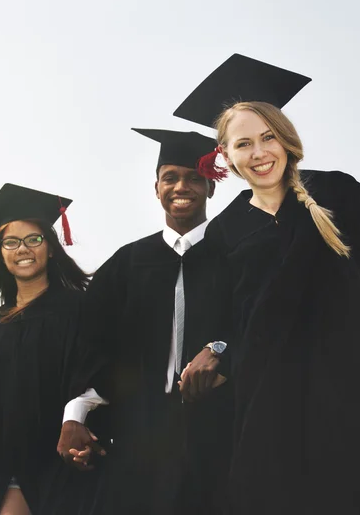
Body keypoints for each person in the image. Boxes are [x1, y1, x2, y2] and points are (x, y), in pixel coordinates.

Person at [173, 53, 360, 515]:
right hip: (270, 385)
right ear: (223, 155)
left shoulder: (336, 191)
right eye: (243, 144)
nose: (260, 152)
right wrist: (217, 349)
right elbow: (230, 315)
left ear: (286, 139)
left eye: (268, 137)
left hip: (352, 374)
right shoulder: (224, 231)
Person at [57, 129, 232, 515]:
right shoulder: (127, 262)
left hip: (222, 428)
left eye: (194, 177)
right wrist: (76, 412)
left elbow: (259, 323)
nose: (181, 186)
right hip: (142, 433)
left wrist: (223, 351)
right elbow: (93, 343)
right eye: (170, 177)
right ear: (156, 188)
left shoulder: (236, 253)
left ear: (211, 188)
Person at [0, 184, 98, 515]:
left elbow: (100, 375)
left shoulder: (80, 309)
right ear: (1, 254)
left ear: (50, 249)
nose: (22, 249)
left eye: (33, 239)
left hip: (68, 462)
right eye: (11, 242)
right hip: (9, 464)